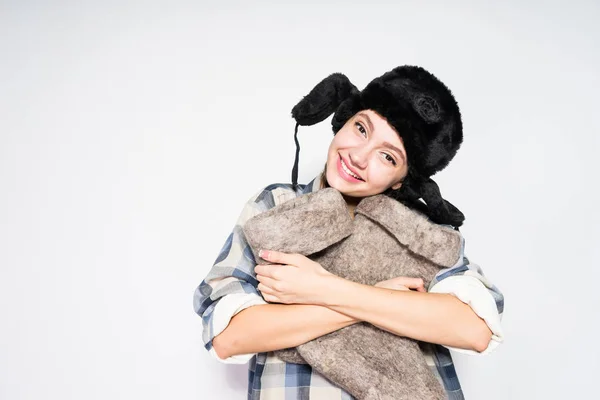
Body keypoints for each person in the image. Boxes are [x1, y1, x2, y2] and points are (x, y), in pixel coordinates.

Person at [193, 65, 504, 400]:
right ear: (343, 119)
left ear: (401, 179)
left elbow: (474, 329)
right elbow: (229, 336)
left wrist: (323, 288)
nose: (359, 157)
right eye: (361, 129)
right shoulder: (273, 206)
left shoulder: (421, 232)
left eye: (387, 156)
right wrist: (379, 300)